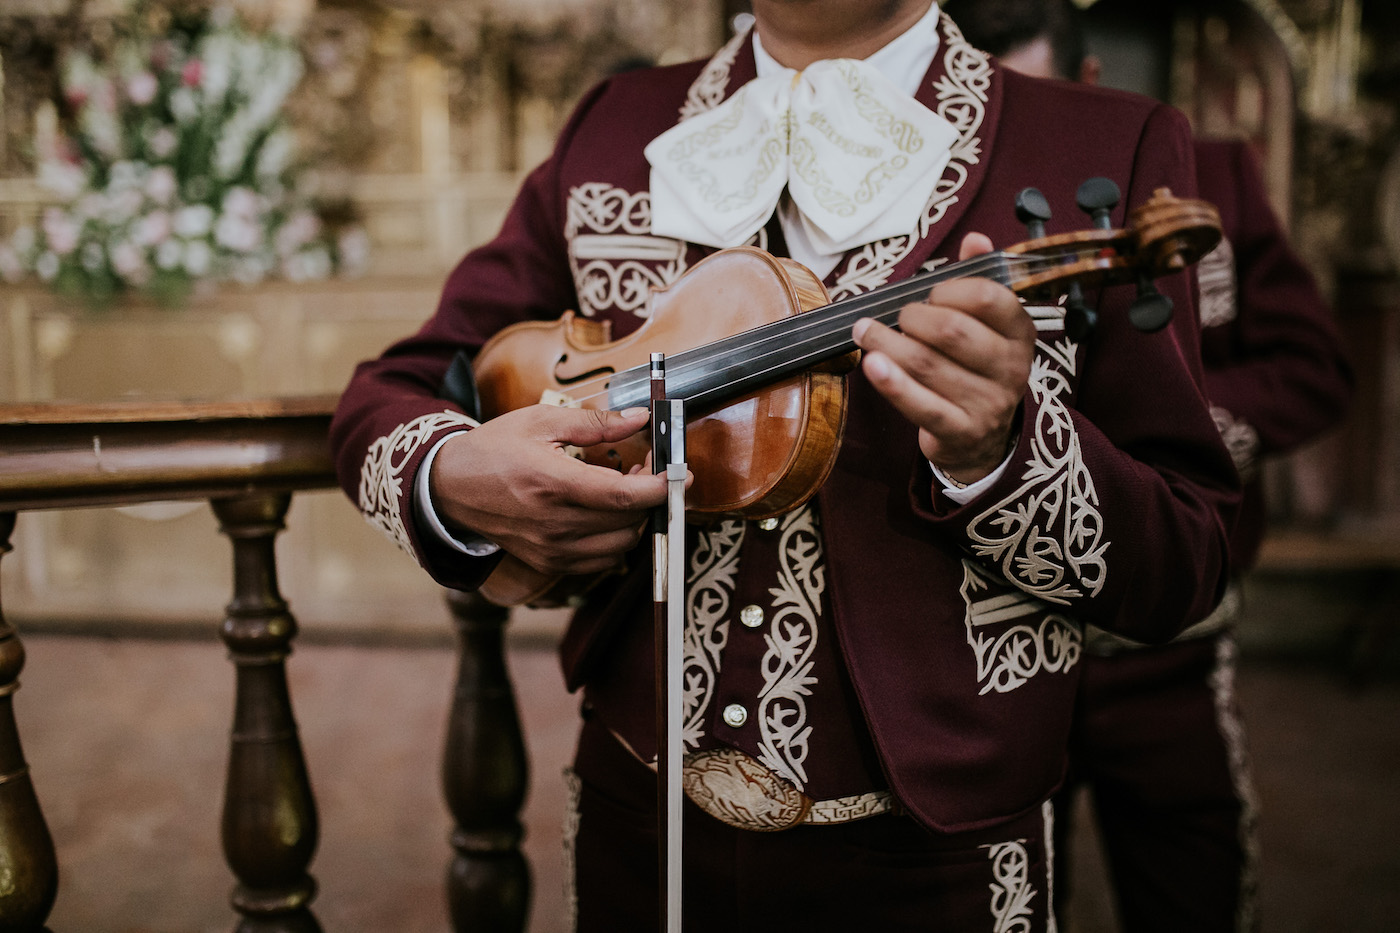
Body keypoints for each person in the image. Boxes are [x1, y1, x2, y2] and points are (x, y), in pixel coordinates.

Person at [330, 2, 1242, 929]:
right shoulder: (615, 122)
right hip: (635, 820)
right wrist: (448, 478)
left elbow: (1183, 562)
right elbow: (394, 389)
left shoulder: (1109, 144)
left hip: (941, 855)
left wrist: (1002, 454)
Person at [943, 0, 1355, 930]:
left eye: (1037, 100)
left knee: (1191, 876)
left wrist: (1174, 431)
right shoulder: (935, 211)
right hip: (992, 642)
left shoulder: (1211, 175)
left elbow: (1313, 365)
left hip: (1162, 650)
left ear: (1089, 88)